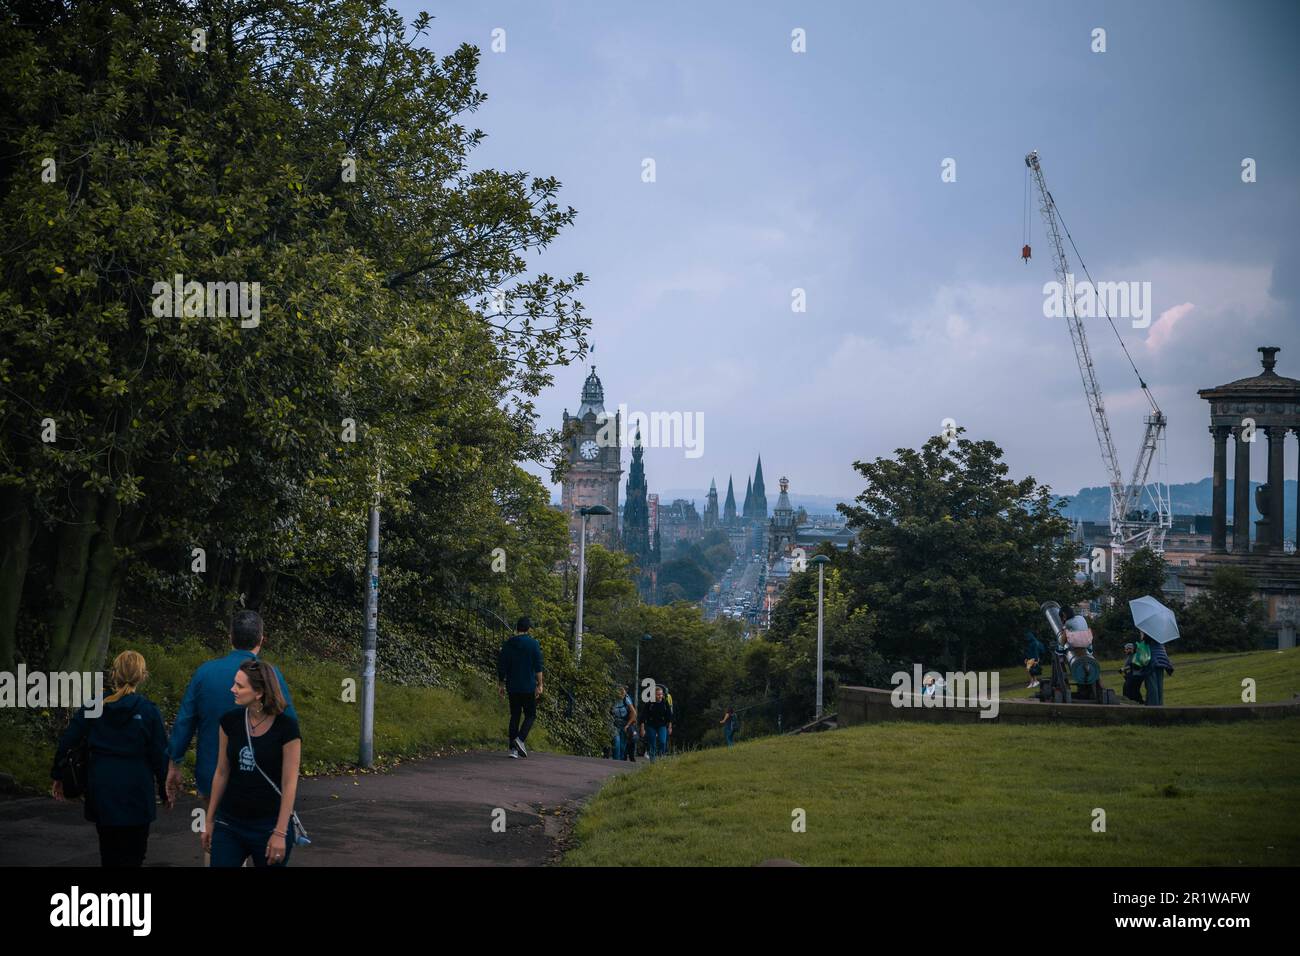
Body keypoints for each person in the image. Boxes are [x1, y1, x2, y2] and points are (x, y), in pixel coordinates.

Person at [51, 650, 173, 866]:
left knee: (108, 854)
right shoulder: (148, 711)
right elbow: (159, 755)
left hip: (102, 787)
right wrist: (165, 790)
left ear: (114, 674)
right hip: (137, 791)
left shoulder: (95, 705)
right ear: (142, 676)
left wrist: (59, 775)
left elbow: (68, 741)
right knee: (135, 855)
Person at [167, 610, 297, 805]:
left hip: (211, 773)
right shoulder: (270, 676)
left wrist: (174, 762)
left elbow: (185, 721)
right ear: (261, 640)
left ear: (230, 638)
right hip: (259, 777)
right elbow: (290, 726)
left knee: (215, 830)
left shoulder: (204, 673)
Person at [202, 659, 302, 867]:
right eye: (234, 683)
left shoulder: (287, 728)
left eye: (239, 686)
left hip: (269, 825)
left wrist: (280, 832)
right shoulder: (229, 722)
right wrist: (209, 820)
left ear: (259, 693)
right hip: (229, 822)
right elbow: (221, 772)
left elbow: (289, 783)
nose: (232, 689)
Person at [497, 616, 544, 758]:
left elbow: (502, 666)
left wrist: (501, 684)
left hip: (512, 686)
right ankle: (520, 739)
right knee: (530, 714)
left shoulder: (508, 644)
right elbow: (538, 667)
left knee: (515, 715)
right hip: (528, 686)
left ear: (517, 628)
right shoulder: (533, 644)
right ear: (529, 629)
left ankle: (513, 750)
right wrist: (540, 685)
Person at [640, 685, 674, 760]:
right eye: (658, 694)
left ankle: (662, 755)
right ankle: (653, 760)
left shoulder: (665, 702)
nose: (660, 696)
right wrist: (642, 728)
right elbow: (643, 716)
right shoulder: (649, 703)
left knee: (662, 741)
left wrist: (670, 727)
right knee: (652, 743)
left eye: (661, 694)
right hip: (651, 725)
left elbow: (669, 716)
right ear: (654, 695)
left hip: (662, 725)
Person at [1144, 636, 1174, 707]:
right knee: (1159, 685)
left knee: (1152, 685)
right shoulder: (1160, 637)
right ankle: (1160, 705)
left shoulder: (1148, 638)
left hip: (1152, 661)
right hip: (1162, 661)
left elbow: (1143, 649)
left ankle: (1153, 706)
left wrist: (1142, 638)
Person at [610, 685, 636, 760]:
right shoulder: (612, 700)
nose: (621, 696)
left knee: (622, 746)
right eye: (620, 694)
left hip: (624, 724)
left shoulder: (626, 699)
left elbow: (634, 713)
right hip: (614, 723)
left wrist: (628, 725)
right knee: (616, 741)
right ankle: (615, 760)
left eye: (623, 694)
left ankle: (620, 762)